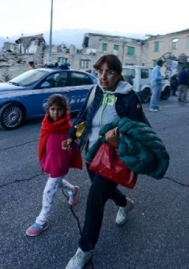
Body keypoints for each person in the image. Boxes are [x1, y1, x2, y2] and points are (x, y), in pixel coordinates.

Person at [62, 54, 148, 269]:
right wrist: (71, 136)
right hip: (91, 153)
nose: (103, 77)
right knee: (102, 192)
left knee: (94, 199)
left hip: (115, 157)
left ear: (119, 74)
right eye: (100, 71)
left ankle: (85, 249)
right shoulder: (95, 91)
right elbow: (83, 115)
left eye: (109, 72)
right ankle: (125, 204)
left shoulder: (129, 97)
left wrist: (120, 141)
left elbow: (141, 131)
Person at [25, 94, 82, 237]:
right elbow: (44, 143)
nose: (56, 113)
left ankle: (42, 221)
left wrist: (71, 146)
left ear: (65, 111)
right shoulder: (46, 124)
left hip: (60, 164)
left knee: (48, 191)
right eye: (53, 109)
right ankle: (73, 190)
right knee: (57, 183)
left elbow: (75, 148)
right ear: (48, 110)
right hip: (50, 161)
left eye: (60, 110)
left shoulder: (68, 128)